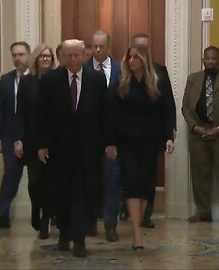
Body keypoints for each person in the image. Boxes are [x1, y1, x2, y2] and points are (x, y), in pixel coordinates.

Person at [37, 39, 116, 257]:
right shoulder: (51, 80)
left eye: (77, 55)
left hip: (88, 148)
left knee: (83, 193)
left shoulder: (96, 79)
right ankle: (64, 234)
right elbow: (42, 115)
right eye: (69, 55)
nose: (73, 60)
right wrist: (42, 145)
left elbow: (105, 112)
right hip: (59, 149)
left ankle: (79, 239)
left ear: (84, 55)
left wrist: (109, 142)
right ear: (62, 57)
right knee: (62, 193)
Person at [113, 45, 176, 250]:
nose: (132, 61)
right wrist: (110, 141)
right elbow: (111, 112)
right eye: (129, 57)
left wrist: (169, 137)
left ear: (144, 60)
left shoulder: (157, 79)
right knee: (131, 182)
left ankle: (138, 223)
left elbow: (168, 108)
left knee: (146, 183)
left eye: (136, 57)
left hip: (150, 140)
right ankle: (137, 232)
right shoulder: (121, 81)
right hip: (127, 140)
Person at [181, 46, 219, 224]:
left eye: (214, 58)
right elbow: (186, 107)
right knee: (199, 175)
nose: (211, 61)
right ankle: (203, 211)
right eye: (208, 58)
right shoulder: (193, 79)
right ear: (203, 59)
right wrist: (195, 127)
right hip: (199, 133)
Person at [131, 33, 176, 229]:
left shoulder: (160, 71)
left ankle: (146, 215)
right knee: (131, 175)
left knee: (149, 175)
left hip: (152, 135)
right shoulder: (125, 71)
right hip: (129, 135)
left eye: (144, 48)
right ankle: (131, 212)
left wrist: (169, 135)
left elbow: (168, 105)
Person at [84, 30, 122, 242]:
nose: (97, 50)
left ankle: (110, 225)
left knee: (112, 182)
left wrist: (114, 141)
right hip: (88, 139)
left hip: (112, 140)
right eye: (94, 46)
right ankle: (90, 222)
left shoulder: (119, 69)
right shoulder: (83, 68)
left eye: (101, 46)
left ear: (108, 47)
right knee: (89, 182)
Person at [14, 44, 55, 239]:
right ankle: (35, 208)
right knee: (34, 181)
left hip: (52, 139)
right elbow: (20, 112)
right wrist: (18, 139)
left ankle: (46, 218)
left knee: (49, 181)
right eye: (42, 56)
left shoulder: (56, 80)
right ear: (36, 59)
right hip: (31, 137)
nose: (46, 59)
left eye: (49, 57)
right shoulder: (26, 82)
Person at [0, 42, 31, 230]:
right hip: (9, 136)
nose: (17, 58)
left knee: (40, 179)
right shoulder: (6, 80)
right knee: (9, 178)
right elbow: (1, 110)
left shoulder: (38, 79)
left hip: (32, 136)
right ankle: (3, 216)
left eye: (21, 54)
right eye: (14, 54)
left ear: (29, 56)